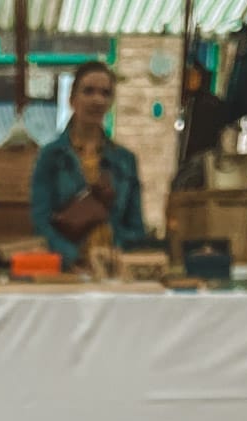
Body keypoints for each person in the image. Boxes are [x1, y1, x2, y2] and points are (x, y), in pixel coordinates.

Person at [30, 62, 145, 270]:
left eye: (105, 93)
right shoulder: (51, 156)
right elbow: (40, 221)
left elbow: (137, 227)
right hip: (66, 270)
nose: (97, 100)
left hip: (114, 271)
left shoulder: (125, 161)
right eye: (88, 91)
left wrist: (116, 246)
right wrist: (72, 256)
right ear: (72, 99)